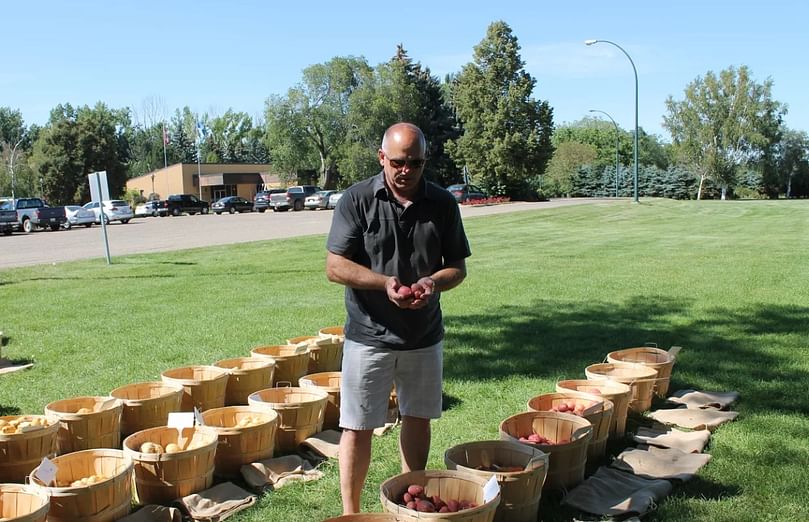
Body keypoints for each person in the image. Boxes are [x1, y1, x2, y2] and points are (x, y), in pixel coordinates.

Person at [325, 122, 471, 514]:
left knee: (418, 417)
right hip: (368, 335)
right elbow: (335, 266)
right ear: (382, 158)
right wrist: (384, 283)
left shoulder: (441, 203)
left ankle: (409, 505)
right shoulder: (356, 200)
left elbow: (457, 266)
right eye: (399, 162)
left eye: (416, 163)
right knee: (357, 426)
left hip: (424, 335)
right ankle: (351, 512)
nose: (407, 170)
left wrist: (432, 284)